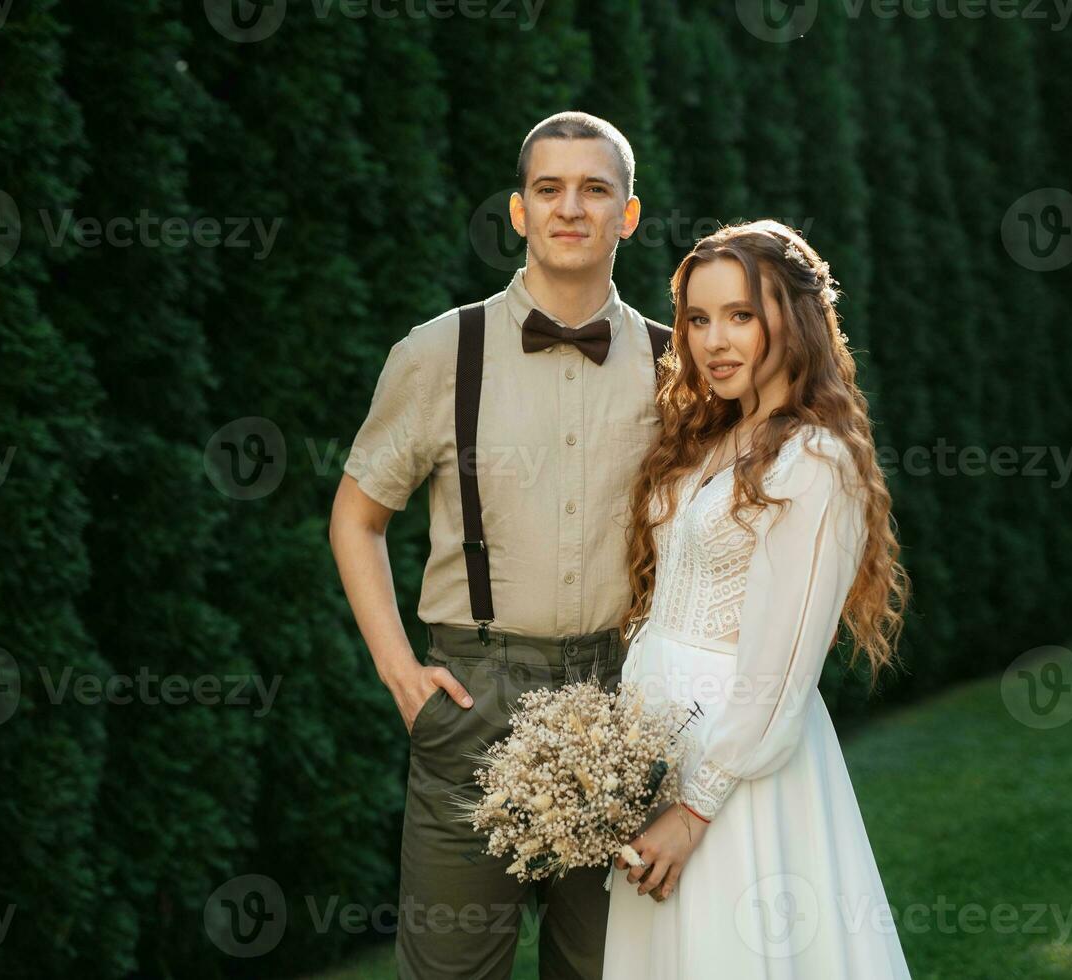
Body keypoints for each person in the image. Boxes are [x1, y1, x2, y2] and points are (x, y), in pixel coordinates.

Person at [330, 111, 668, 980]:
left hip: (623, 710)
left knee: (607, 971)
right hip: (472, 702)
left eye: (595, 190)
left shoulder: (678, 369)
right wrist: (403, 678)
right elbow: (356, 518)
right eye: (548, 188)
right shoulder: (440, 351)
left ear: (628, 214)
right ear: (518, 211)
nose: (570, 208)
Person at [602, 220, 914, 978]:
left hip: (737, 767)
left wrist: (696, 810)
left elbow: (781, 666)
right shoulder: (707, 440)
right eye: (699, 319)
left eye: (741, 315)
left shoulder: (814, 459)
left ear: (795, 321)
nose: (714, 340)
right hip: (660, 746)